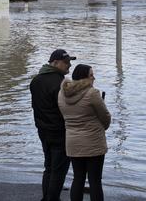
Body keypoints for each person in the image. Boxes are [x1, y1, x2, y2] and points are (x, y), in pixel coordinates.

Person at [58, 64, 111, 201]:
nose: (94, 78)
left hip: (72, 142)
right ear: (84, 78)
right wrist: (101, 127)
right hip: (93, 142)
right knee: (95, 181)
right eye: (91, 75)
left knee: (78, 178)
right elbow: (106, 117)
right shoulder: (92, 93)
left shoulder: (62, 93)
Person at [30, 49, 76, 201]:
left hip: (43, 130)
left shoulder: (36, 81)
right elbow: (70, 108)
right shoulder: (62, 83)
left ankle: (47, 198)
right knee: (59, 169)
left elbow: (36, 107)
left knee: (49, 167)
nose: (69, 66)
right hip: (60, 132)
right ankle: (53, 199)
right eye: (66, 63)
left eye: (70, 63)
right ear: (55, 63)